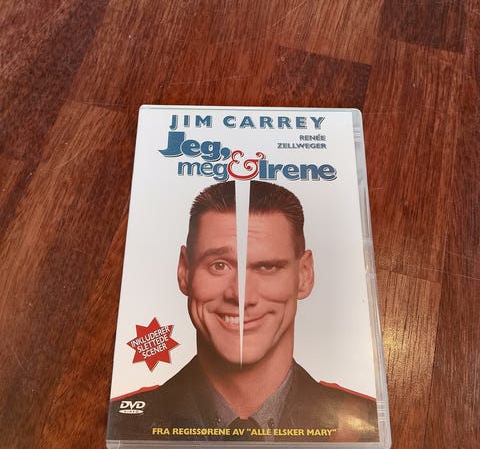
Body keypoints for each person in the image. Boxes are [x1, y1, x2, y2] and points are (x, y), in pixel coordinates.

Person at [108, 181, 379, 442]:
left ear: (304, 275)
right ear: (184, 272)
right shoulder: (127, 423)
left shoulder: (365, 420)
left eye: (267, 267)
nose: (241, 296)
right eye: (219, 265)